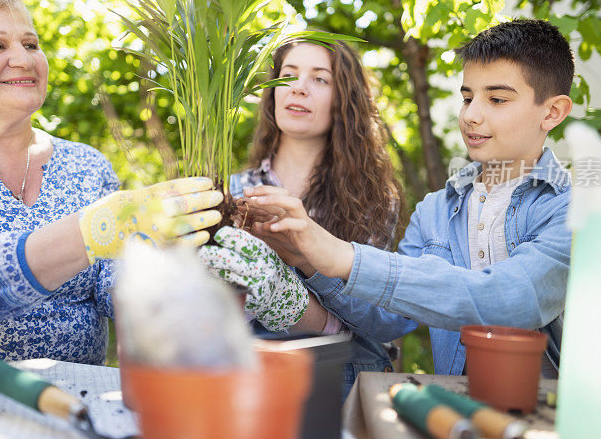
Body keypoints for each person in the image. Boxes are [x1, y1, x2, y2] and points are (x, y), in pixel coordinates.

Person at [0, 0, 222, 365]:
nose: (23, 59)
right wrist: (84, 234)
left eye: (31, 43)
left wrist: (181, 269)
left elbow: (118, 291)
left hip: (81, 404)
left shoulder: (86, 165)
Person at [236, 19, 575, 378]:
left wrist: (339, 255)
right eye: (467, 98)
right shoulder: (435, 211)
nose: (471, 115)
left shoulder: (572, 208)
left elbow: (511, 299)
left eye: (497, 99)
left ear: (552, 112)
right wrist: (306, 260)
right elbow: (387, 321)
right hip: (454, 410)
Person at [199, 40, 416, 400]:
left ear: (344, 100)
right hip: (245, 380)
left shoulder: (373, 198)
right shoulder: (232, 192)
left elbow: (377, 319)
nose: (298, 87)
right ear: (271, 93)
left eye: (320, 80)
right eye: (288, 75)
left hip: (340, 380)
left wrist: (304, 259)